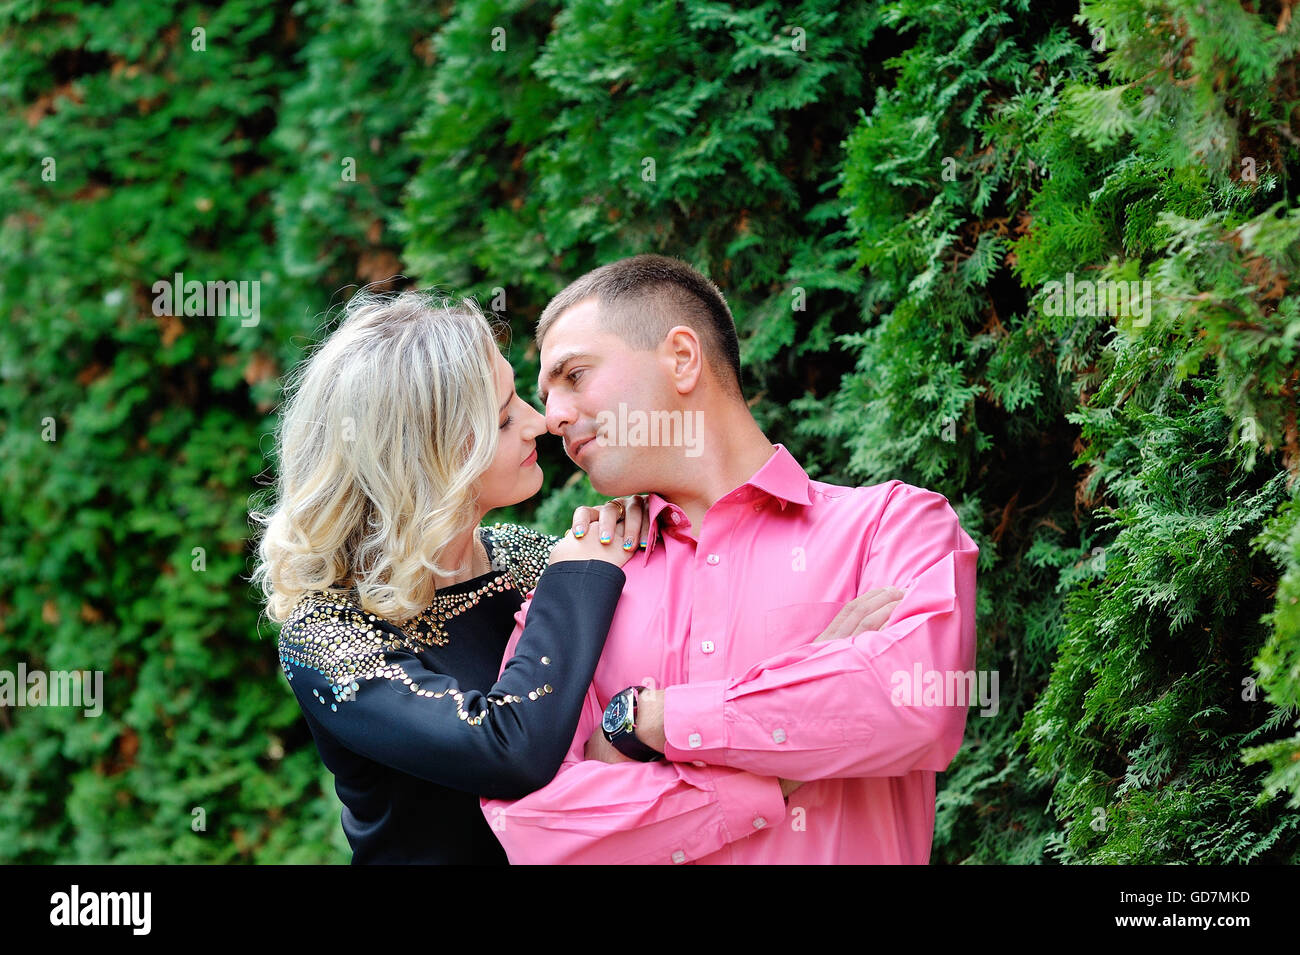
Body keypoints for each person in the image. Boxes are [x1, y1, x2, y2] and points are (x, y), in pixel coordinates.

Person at [481, 254, 980, 864]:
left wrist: (645, 722)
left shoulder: (893, 526)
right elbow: (534, 830)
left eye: (575, 375)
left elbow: (915, 705)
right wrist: (789, 742)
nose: (553, 417)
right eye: (546, 394)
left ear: (683, 358)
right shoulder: (579, 590)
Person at [248, 289, 648, 864]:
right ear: (428, 453)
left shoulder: (522, 559)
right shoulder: (327, 633)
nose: (538, 423)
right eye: (506, 414)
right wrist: (581, 574)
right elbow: (508, 752)